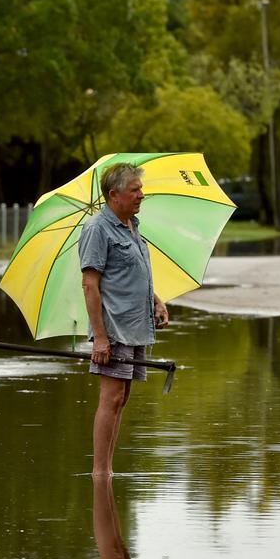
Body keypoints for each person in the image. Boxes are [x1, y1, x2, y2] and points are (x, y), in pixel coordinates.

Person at [79, 162, 169, 479]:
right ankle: (100, 472)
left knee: (123, 397)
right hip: (114, 327)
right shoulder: (96, 229)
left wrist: (156, 300)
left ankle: (107, 470)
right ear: (114, 194)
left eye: (140, 189)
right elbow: (90, 284)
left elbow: (132, 273)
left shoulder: (132, 226)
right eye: (135, 190)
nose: (141, 195)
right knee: (112, 396)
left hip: (135, 326)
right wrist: (100, 338)